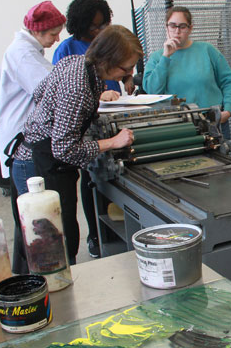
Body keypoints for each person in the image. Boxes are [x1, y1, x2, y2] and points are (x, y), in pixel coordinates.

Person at [11, 25, 141, 265]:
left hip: (36, 156)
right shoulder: (78, 86)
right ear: (108, 60)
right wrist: (112, 141)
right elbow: (63, 148)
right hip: (39, 165)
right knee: (48, 249)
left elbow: (41, 93)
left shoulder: (77, 62)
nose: (129, 72)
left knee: (42, 243)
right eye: (126, 68)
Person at [53, 0, 132, 259]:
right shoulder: (70, 56)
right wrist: (97, 99)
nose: (98, 31)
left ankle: (116, 233)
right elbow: (65, 142)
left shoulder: (103, 61)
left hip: (112, 122)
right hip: (82, 137)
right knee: (87, 187)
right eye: (94, 26)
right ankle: (97, 236)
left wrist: (127, 80)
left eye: (103, 25)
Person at [0, 0, 65, 274]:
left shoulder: (29, 50)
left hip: (23, 145)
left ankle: (26, 273)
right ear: (37, 31)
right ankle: (40, 278)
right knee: (36, 222)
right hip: (25, 148)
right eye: (52, 33)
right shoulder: (23, 54)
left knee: (26, 218)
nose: (57, 38)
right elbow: (52, 90)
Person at [143, 6, 231, 140]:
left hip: (212, 120)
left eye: (182, 26)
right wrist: (165, 57)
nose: (177, 31)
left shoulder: (207, 50)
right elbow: (153, 91)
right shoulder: (157, 58)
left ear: (190, 28)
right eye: (172, 26)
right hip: (177, 124)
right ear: (166, 27)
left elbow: (228, 82)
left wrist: (227, 110)